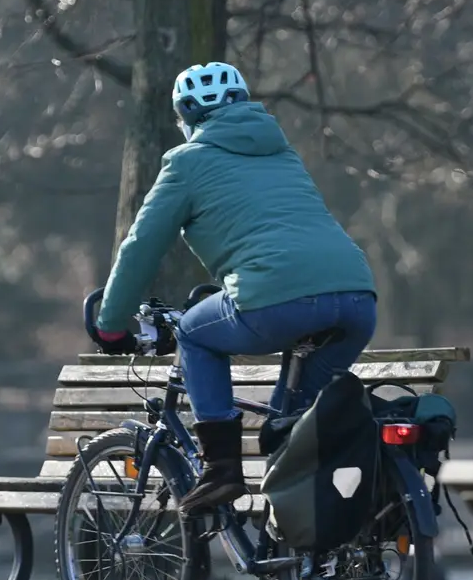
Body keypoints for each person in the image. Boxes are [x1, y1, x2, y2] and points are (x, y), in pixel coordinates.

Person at [91, 62, 377, 515]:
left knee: (193, 331)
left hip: (276, 299)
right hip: (358, 297)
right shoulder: (281, 153)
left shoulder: (187, 161)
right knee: (290, 433)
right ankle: (311, 564)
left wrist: (109, 323)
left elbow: (141, 246)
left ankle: (221, 468)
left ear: (185, 115)